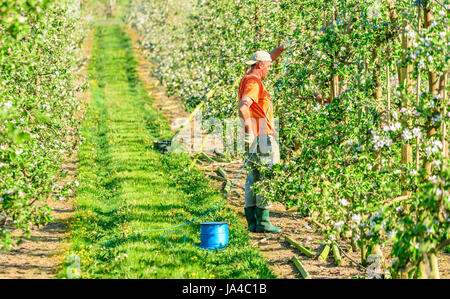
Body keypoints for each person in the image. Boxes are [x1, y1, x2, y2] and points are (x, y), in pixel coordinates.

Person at [238, 44, 287, 233]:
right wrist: (251, 131)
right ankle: (264, 221)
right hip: (262, 136)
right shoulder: (254, 82)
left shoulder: (248, 77)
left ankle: (253, 222)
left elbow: (268, 59)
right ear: (260, 65)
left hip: (255, 136)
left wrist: (280, 49)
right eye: (267, 67)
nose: (269, 70)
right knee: (266, 176)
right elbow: (244, 107)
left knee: (254, 177)